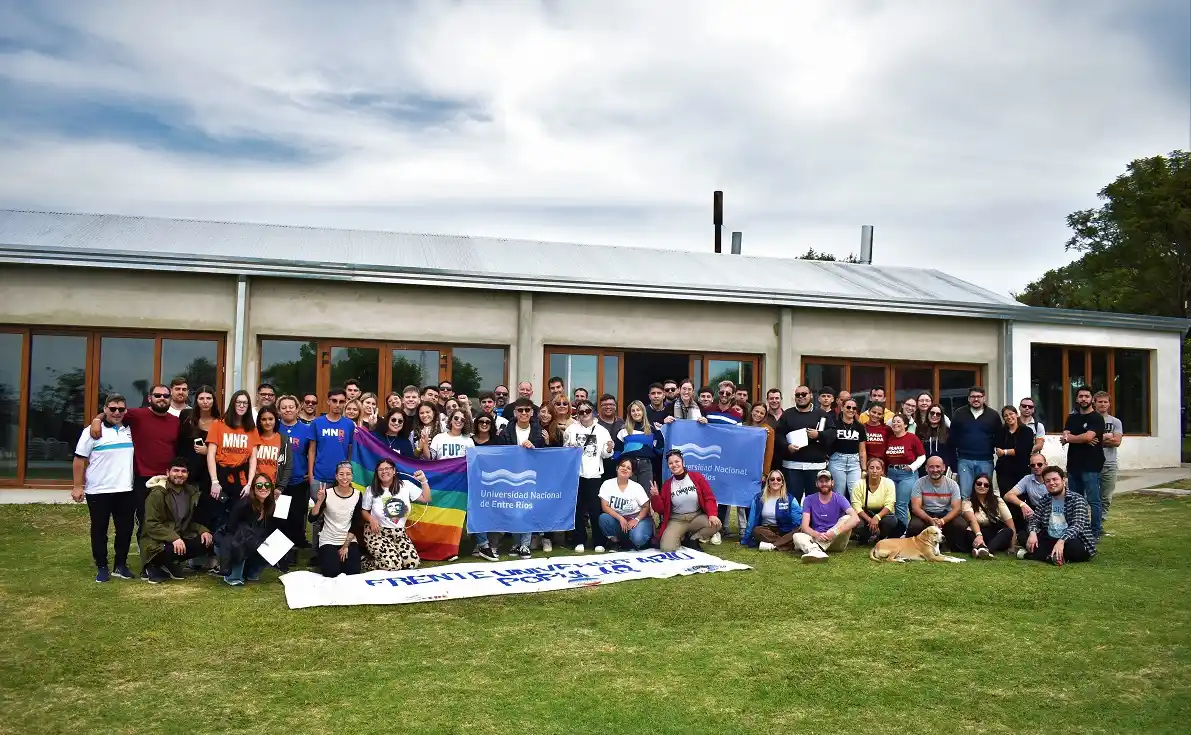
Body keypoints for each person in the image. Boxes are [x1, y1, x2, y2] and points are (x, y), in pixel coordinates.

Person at [88, 382, 180, 541]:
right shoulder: (137, 415)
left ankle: (165, 551)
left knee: (167, 518)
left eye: (166, 396)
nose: (162, 398)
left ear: (170, 398)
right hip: (143, 478)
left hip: (168, 479)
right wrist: (97, 419)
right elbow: (114, 412)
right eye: (157, 395)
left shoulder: (175, 421)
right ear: (150, 398)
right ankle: (146, 551)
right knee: (145, 518)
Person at [72, 394, 137, 582]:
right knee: (99, 530)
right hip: (98, 490)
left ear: (126, 410)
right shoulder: (92, 431)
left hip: (125, 489)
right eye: (113, 409)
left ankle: (120, 565)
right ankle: (102, 566)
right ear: (105, 409)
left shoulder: (130, 429)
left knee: (125, 530)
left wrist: (97, 418)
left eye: (121, 409)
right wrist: (77, 486)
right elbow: (79, 459)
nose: (117, 413)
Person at [204, 391, 259, 571]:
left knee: (239, 519)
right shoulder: (218, 425)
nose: (242, 406)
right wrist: (214, 481)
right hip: (221, 478)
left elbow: (253, 458)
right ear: (233, 403)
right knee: (219, 519)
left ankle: (237, 560)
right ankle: (219, 560)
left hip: (241, 481)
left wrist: (250, 484)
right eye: (239, 402)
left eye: (245, 403)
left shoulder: (251, 429)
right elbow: (211, 454)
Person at [139, 459, 213, 583]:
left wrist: (203, 531)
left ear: (188, 474)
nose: (179, 474)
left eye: (183, 471)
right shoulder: (157, 493)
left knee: (205, 541)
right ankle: (152, 565)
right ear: (168, 472)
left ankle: (169, 564)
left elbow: (187, 522)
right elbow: (151, 524)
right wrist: (174, 538)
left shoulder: (190, 492)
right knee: (164, 551)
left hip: (177, 537)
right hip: (156, 540)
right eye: (176, 470)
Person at [564, 400, 615, 553]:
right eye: (581, 412)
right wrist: (569, 448)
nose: (585, 414)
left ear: (592, 412)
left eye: (587, 411)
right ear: (577, 414)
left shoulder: (602, 431)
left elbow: (605, 454)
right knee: (578, 509)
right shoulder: (571, 429)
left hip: (595, 474)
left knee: (595, 509)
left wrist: (609, 449)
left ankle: (599, 541)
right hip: (576, 474)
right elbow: (565, 451)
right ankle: (579, 540)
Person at [360, 459, 429, 571]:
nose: (384, 471)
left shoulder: (405, 485)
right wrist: (371, 518)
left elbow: (426, 498)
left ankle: (389, 555)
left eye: (387, 468)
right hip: (377, 533)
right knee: (393, 566)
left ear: (394, 471)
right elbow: (363, 511)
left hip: (399, 534)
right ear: (377, 473)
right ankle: (365, 562)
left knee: (412, 563)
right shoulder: (371, 489)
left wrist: (423, 481)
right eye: (380, 469)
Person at [651, 449, 721, 551]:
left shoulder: (696, 477)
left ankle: (693, 539)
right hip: (677, 519)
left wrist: (712, 514)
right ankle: (682, 537)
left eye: (677, 461)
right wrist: (655, 496)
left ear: (683, 462)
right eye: (670, 463)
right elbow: (661, 510)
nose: (674, 465)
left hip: (696, 517)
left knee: (716, 524)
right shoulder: (667, 485)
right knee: (667, 548)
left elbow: (709, 497)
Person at [1025, 466, 1096, 565]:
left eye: (1055, 479)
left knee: (1073, 547)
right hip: (1051, 539)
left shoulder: (1077, 499)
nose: (1051, 483)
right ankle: (1053, 556)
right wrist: (1032, 533)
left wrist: (1062, 540)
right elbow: (1035, 520)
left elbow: (1077, 525)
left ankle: (1036, 555)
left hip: (1073, 540)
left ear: (1063, 480)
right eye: (1047, 481)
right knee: (1024, 536)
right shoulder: (1045, 499)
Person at [1061, 386, 1106, 538]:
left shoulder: (1096, 418)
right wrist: (1082, 438)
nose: (1084, 399)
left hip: (1091, 465)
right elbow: (1064, 436)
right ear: (1076, 399)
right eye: (1081, 396)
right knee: (1076, 500)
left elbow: (1087, 437)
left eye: (1087, 396)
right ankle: (1079, 530)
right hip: (1073, 465)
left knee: (1093, 501)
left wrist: (1074, 438)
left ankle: (1095, 532)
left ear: (1092, 399)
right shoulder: (1072, 418)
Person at [787, 470, 860, 562]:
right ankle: (816, 551)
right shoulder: (809, 499)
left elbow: (856, 518)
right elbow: (805, 526)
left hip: (836, 540)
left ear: (832, 483)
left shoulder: (840, 498)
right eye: (821, 481)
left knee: (847, 518)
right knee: (797, 536)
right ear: (816, 484)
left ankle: (814, 549)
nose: (824, 484)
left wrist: (834, 533)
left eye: (826, 481)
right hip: (817, 537)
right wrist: (817, 535)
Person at [277, 395, 315, 559]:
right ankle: (280, 552)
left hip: (299, 480)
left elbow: (312, 452)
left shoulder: (306, 429)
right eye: (284, 407)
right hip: (279, 482)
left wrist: (310, 471)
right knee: (280, 517)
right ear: (279, 410)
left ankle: (293, 549)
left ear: (298, 409)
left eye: (291, 407)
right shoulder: (275, 427)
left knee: (297, 516)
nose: (288, 410)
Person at [775, 385, 830, 502]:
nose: (801, 397)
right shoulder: (787, 414)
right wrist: (787, 446)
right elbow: (778, 434)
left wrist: (819, 435)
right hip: (792, 467)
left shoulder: (821, 414)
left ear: (811, 395)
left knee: (815, 502)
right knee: (792, 502)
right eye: (797, 395)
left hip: (815, 466)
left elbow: (832, 433)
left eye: (804, 394)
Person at [310, 461, 364, 576]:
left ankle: (339, 559)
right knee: (331, 572)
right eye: (341, 474)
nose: (345, 477)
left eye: (348, 474)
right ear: (336, 476)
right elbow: (312, 518)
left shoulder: (357, 494)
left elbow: (356, 522)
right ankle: (328, 558)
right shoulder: (327, 493)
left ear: (352, 476)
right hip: (328, 539)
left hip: (348, 539)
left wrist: (345, 546)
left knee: (353, 571)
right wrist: (319, 501)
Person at [220, 474, 277, 585]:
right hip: (232, 541)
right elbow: (231, 529)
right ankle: (232, 572)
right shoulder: (244, 504)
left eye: (267, 485)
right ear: (253, 488)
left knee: (279, 543)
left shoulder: (270, 504)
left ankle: (250, 572)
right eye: (259, 485)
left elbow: (273, 528)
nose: (263, 488)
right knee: (234, 579)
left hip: (252, 540)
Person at [950, 386, 1002, 499]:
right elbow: (952, 435)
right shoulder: (959, 413)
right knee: (965, 494)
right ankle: (967, 511)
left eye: (979, 396)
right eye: (973, 396)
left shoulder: (993, 415)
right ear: (968, 399)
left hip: (986, 460)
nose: (976, 399)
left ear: (984, 398)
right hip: (964, 460)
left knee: (984, 494)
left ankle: (983, 511)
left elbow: (999, 436)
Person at [907, 456, 967, 550]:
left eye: (938, 466)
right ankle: (918, 546)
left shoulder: (952, 484)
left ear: (944, 468)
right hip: (926, 514)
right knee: (915, 526)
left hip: (945, 514)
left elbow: (957, 508)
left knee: (960, 524)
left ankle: (950, 545)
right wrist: (929, 519)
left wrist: (943, 521)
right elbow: (915, 508)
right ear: (926, 468)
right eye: (931, 467)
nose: (935, 470)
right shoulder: (919, 483)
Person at [598, 458, 654, 550]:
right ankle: (616, 542)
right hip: (619, 519)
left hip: (637, 518)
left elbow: (646, 506)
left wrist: (636, 519)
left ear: (631, 473)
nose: (625, 469)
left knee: (638, 538)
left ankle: (637, 541)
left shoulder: (636, 487)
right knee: (604, 518)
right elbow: (605, 506)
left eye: (628, 468)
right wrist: (620, 518)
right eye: (622, 466)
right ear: (617, 468)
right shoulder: (607, 484)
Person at [742, 470, 804, 550]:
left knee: (799, 530)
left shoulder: (790, 499)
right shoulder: (759, 498)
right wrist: (746, 538)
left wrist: (798, 529)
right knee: (756, 530)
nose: (775, 481)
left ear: (782, 483)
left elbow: (798, 521)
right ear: (768, 482)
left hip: (784, 531)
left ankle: (772, 545)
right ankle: (785, 544)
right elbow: (752, 520)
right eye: (772, 479)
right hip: (766, 531)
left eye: (778, 479)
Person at [884, 415, 926, 528]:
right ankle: (895, 530)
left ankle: (903, 532)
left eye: (899, 421)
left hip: (907, 475)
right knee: (891, 504)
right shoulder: (890, 439)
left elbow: (922, 456)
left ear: (906, 424)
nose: (895, 424)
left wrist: (912, 467)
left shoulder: (912, 438)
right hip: (891, 474)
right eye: (894, 422)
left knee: (901, 505)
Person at [960, 473, 1015, 557]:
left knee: (1008, 531)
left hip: (994, 535)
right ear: (974, 485)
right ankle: (982, 549)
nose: (982, 486)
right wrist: (979, 535)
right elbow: (972, 521)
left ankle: (985, 550)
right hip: (977, 532)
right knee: (969, 530)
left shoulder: (998, 501)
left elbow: (1010, 524)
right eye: (979, 484)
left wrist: (1012, 547)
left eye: (986, 485)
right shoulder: (967, 502)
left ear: (989, 488)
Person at [1004, 452, 1050, 549]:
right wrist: (1023, 505)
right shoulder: (1028, 479)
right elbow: (1008, 495)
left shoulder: (1052, 479)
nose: (1036, 467)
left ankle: (1035, 549)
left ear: (1046, 464)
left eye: (1039, 464)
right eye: (1033, 465)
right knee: (1022, 536)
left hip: (1051, 514)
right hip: (1034, 514)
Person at [850, 457, 900, 544]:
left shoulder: (889, 483)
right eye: (871, 468)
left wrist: (877, 517)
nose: (874, 471)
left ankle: (880, 537)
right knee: (856, 521)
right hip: (864, 514)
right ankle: (864, 536)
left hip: (882, 514)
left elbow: (890, 504)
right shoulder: (858, 484)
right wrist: (870, 520)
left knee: (892, 521)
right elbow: (856, 506)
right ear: (867, 470)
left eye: (878, 468)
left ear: (882, 471)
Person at [825, 397, 866, 502]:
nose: (851, 410)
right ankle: (838, 513)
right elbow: (826, 442)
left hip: (854, 462)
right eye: (848, 407)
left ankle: (855, 513)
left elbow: (862, 450)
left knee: (856, 494)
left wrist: (864, 469)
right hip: (837, 461)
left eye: (854, 408)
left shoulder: (860, 427)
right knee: (838, 494)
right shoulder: (834, 424)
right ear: (842, 408)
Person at [1095, 391, 1123, 524]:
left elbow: (1117, 442)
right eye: (1100, 401)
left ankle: (1100, 523)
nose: (1103, 404)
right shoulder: (1090, 420)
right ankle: (1088, 523)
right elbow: (1085, 440)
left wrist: (1096, 439)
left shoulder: (1115, 422)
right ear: (1094, 403)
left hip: (1109, 464)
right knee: (1090, 497)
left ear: (1109, 404)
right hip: (1092, 464)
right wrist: (1107, 436)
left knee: (1106, 497)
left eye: (1105, 402)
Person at [619, 400, 660, 489]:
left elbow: (658, 449)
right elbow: (617, 451)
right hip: (628, 465)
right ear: (630, 413)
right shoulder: (623, 429)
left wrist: (659, 431)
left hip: (646, 465)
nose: (636, 413)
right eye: (633, 411)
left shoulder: (652, 429)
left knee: (646, 494)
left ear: (643, 411)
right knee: (629, 494)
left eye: (638, 410)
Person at [249, 405, 292, 490]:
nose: (267, 422)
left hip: (274, 487)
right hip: (255, 486)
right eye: (264, 419)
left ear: (276, 420)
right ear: (259, 421)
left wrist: (280, 487)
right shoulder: (253, 438)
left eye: (271, 419)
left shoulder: (283, 439)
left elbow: (288, 466)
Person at [994, 405, 1035, 495]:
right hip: (1004, 471)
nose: (1009, 417)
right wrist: (1011, 451)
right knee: (1005, 496)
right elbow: (998, 449)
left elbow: (1023, 450)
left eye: (1011, 414)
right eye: (1005, 415)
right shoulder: (1001, 431)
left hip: (1021, 471)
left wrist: (1005, 452)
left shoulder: (1026, 431)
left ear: (1016, 414)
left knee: (1020, 497)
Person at [916, 404, 956, 476]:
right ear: (928, 414)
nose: (934, 415)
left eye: (938, 414)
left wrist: (954, 471)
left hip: (943, 470)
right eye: (932, 413)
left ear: (941, 416)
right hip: (924, 470)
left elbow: (952, 452)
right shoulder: (920, 430)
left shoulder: (948, 431)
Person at [744, 403, 775, 481]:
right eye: (756, 411)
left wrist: (765, 473)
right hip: (742, 466)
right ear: (751, 411)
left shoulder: (768, 430)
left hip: (757, 468)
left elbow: (769, 453)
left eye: (762, 413)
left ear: (764, 415)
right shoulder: (743, 426)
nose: (758, 414)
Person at [597, 393, 625, 479]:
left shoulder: (622, 423)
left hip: (618, 464)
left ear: (615, 406)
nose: (608, 407)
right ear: (600, 407)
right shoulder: (595, 423)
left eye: (611, 404)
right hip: (600, 464)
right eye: (604, 405)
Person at [862, 404, 891, 473]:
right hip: (866, 465)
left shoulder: (887, 429)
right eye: (874, 412)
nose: (876, 415)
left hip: (882, 466)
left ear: (883, 415)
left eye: (879, 414)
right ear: (869, 411)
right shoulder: (862, 428)